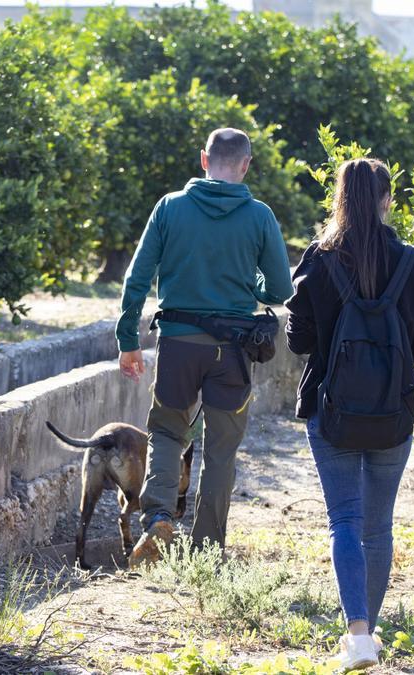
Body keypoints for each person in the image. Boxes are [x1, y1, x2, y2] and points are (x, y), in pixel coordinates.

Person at [285, 158, 414, 670]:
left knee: (344, 520)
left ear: (340, 200)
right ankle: (366, 634)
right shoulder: (413, 263)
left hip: (331, 408)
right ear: (387, 200)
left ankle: (356, 636)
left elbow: (301, 339)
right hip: (393, 411)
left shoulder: (318, 257)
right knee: (379, 526)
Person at [117, 128, 293, 567]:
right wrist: (248, 280)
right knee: (220, 450)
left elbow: (137, 279)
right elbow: (279, 290)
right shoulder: (260, 216)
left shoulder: (170, 207)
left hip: (178, 343)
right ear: (246, 164)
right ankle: (206, 549)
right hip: (233, 352)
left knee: (166, 431)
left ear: (203, 159)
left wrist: (128, 341)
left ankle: (158, 516)